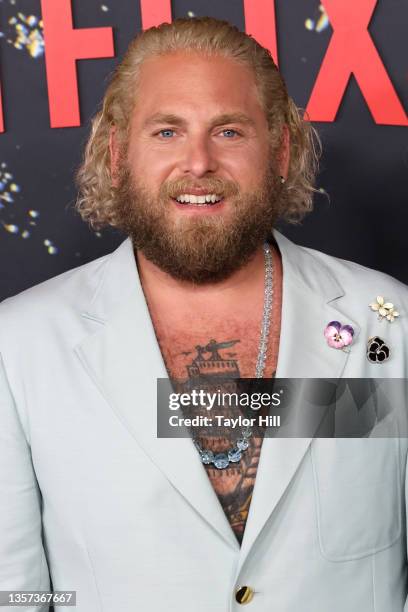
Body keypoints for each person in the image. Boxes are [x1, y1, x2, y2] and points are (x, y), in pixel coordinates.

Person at [0, 17, 407, 612]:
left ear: (282, 150)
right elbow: (16, 593)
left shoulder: (390, 324)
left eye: (230, 131)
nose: (198, 162)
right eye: (166, 131)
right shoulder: (20, 344)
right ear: (117, 154)